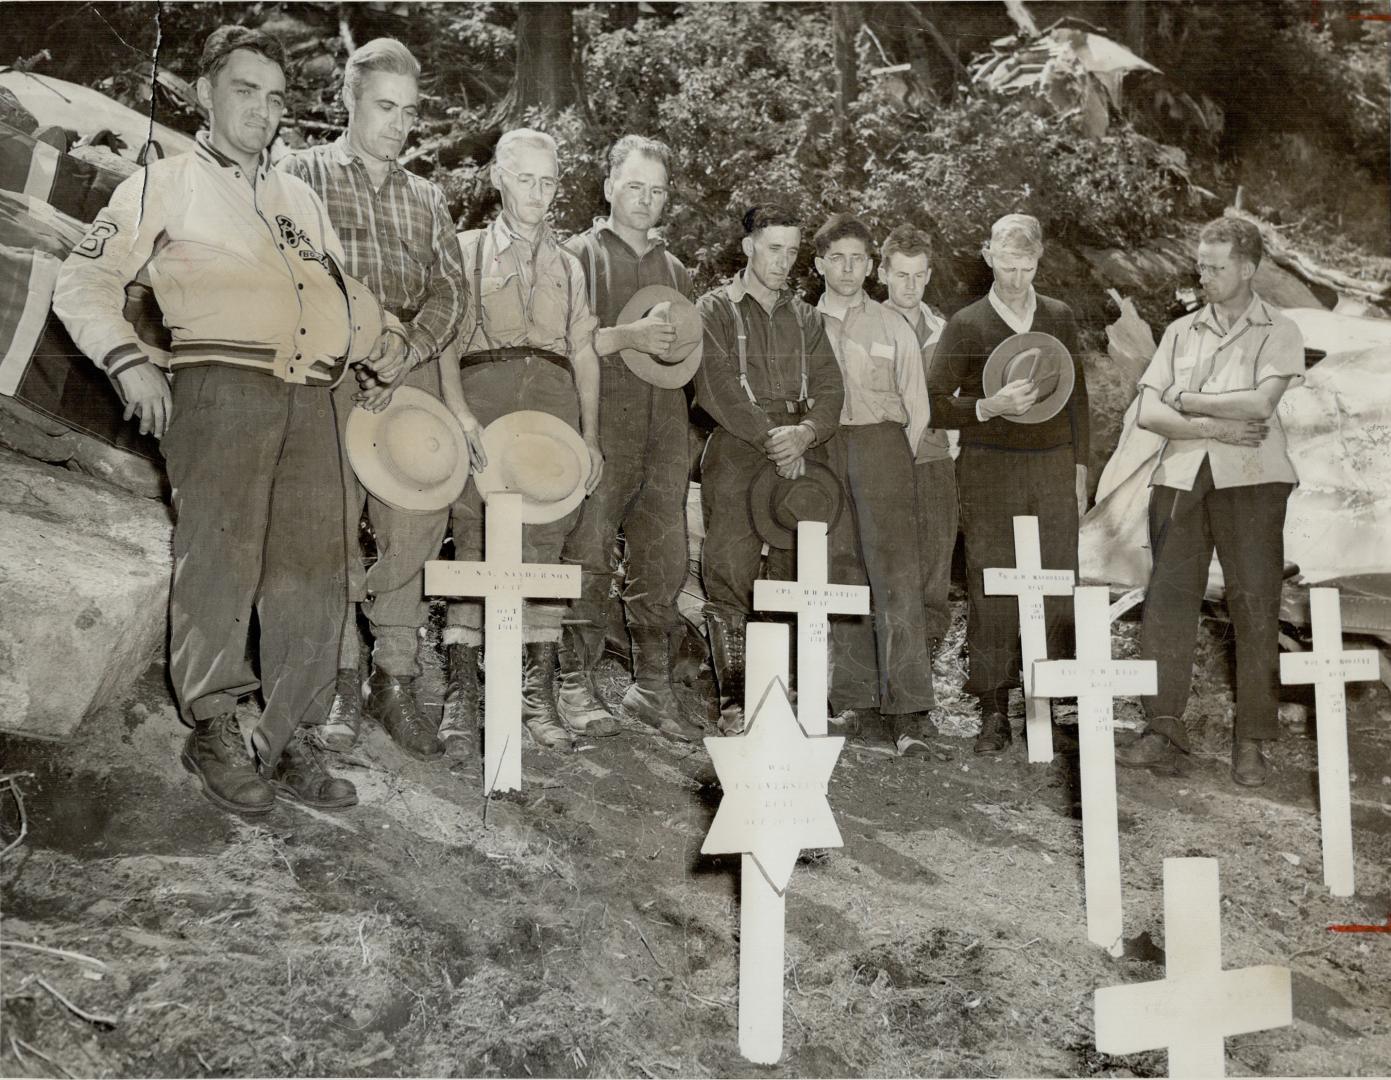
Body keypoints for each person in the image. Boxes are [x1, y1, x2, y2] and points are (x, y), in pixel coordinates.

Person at [52, 26, 383, 814]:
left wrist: (380, 337)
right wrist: (128, 360)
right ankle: (212, 726)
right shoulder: (164, 182)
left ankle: (289, 735)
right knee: (221, 560)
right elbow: (81, 280)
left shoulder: (299, 195)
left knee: (313, 570)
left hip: (314, 397)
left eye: (275, 99)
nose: (262, 111)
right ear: (204, 94)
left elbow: (340, 293)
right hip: (220, 387)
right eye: (245, 91)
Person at [279, 38, 469, 762]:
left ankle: (394, 678)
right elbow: (290, 264)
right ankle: (335, 678)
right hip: (328, 363)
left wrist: (409, 347)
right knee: (327, 517)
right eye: (384, 107)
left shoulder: (427, 195)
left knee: (419, 516)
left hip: (406, 373)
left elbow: (453, 288)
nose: (398, 124)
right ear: (348, 101)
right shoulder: (301, 173)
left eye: (410, 113)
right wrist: (360, 336)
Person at [1116, 217, 1303, 787]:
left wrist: (1187, 400)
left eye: (1218, 267)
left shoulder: (1279, 328)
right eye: (1201, 265)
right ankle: (1163, 728)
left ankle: (1251, 742)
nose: (1206, 276)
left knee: (1253, 604)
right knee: (1167, 601)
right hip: (1179, 477)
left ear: (1249, 268)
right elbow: (1148, 413)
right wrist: (1215, 427)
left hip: (1253, 479)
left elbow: (1259, 405)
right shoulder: (1180, 331)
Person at [438, 128, 604, 756]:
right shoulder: (466, 251)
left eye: (549, 181)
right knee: (474, 536)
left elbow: (585, 353)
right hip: (486, 399)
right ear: (498, 179)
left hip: (553, 410)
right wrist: (459, 412)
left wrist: (590, 438)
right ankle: (462, 694)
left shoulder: (570, 264)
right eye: (525, 179)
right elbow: (446, 341)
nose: (538, 193)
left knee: (545, 544)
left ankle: (535, 694)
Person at [926, 213, 1090, 755]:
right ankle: (993, 704)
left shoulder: (1060, 317)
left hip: (1052, 465)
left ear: (1038, 260)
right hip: (987, 468)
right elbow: (931, 404)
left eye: (1027, 265)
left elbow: (1078, 399)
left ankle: (1058, 701)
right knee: (991, 580)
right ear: (987, 255)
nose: (1016, 277)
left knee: (1059, 577)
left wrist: (1080, 469)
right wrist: (986, 405)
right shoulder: (967, 323)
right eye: (1006, 263)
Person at [559, 135, 704, 743]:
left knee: (664, 557)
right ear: (609, 187)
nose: (646, 200)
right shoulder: (577, 256)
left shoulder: (677, 270)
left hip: (665, 426)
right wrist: (630, 336)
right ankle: (574, 683)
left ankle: (652, 686)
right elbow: (563, 343)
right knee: (588, 547)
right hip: (601, 421)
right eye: (635, 186)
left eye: (658, 189)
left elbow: (689, 355)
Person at [692, 204, 846, 735]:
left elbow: (830, 390)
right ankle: (735, 697)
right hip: (737, 445)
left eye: (792, 251)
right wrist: (769, 437)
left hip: (800, 452)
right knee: (730, 566)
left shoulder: (807, 318)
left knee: (792, 569)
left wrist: (804, 434)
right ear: (748, 247)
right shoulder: (714, 309)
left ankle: (786, 691)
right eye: (773, 248)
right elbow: (714, 385)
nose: (783, 261)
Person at [811, 214, 936, 756]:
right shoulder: (802, 323)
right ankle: (856, 701)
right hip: (825, 448)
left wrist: (890, 462)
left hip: (885, 447)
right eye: (836, 258)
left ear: (871, 265)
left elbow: (918, 408)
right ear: (818, 264)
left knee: (896, 575)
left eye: (857, 258)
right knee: (841, 570)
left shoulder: (893, 326)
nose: (847, 268)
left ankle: (908, 709)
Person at [878, 225, 958, 663]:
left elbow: (958, 400)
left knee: (932, 577)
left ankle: (919, 684)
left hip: (933, 466)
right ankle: (873, 688)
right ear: (884, 273)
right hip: (881, 466)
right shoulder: (864, 322)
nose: (910, 285)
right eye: (901, 274)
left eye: (919, 275)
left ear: (929, 275)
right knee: (883, 574)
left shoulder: (945, 332)